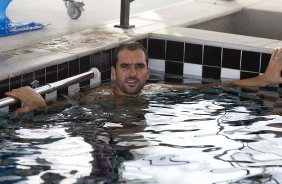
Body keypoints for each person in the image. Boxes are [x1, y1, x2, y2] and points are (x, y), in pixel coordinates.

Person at [5, 41, 282, 116]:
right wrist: (41, 106)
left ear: (148, 72)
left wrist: (263, 79)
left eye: (138, 67)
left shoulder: (156, 90)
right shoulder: (95, 96)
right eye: (125, 67)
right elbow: (61, 112)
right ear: (114, 73)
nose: (132, 73)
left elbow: (213, 86)